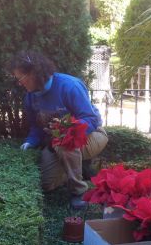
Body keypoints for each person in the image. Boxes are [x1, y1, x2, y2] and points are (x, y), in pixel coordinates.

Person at [9, 51, 108, 209]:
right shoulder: (30, 97)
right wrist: (30, 141)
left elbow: (91, 119)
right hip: (57, 144)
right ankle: (76, 167)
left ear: (34, 73)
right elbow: (36, 127)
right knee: (46, 183)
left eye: (21, 78)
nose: (20, 83)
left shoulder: (69, 86)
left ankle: (79, 191)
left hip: (92, 135)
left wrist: (68, 129)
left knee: (65, 143)